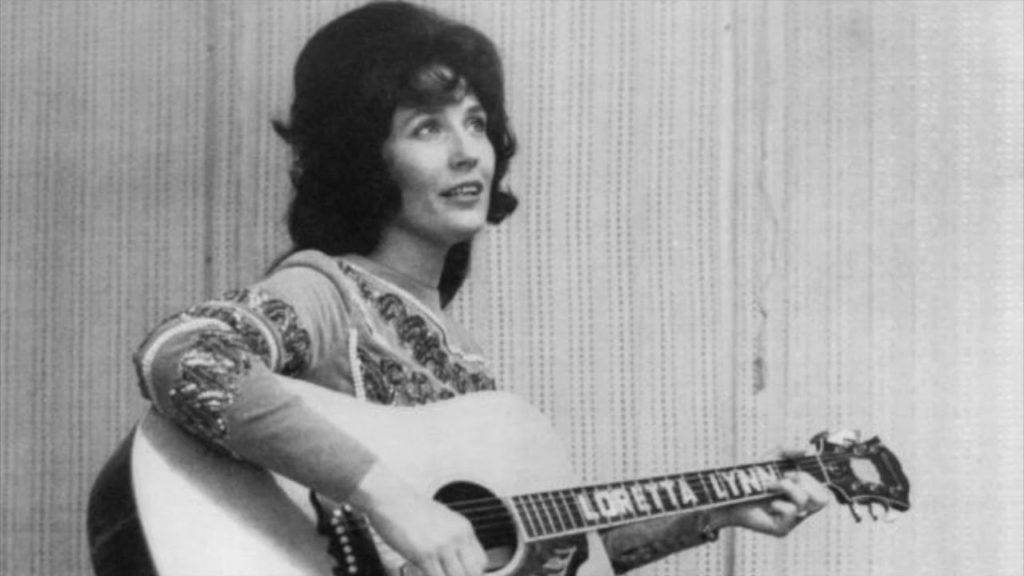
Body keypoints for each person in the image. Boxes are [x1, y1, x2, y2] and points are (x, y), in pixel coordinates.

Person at [131, 2, 830, 575]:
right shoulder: (327, 292)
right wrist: (389, 498)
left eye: (476, 122)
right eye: (427, 128)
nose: (469, 151)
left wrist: (714, 508)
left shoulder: (465, 366)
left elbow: (540, 549)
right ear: (363, 156)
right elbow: (182, 352)